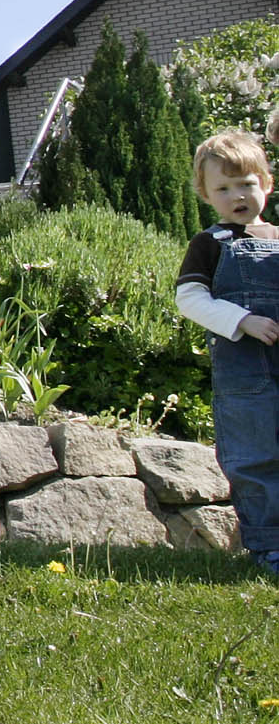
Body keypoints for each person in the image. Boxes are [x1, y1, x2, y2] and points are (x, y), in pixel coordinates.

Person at [177, 128, 279, 570]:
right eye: (223, 188)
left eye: (246, 184)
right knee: (254, 457)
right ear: (205, 195)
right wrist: (242, 321)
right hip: (245, 378)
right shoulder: (209, 245)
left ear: (267, 184)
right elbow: (190, 300)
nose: (237, 195)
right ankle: (268, 546)